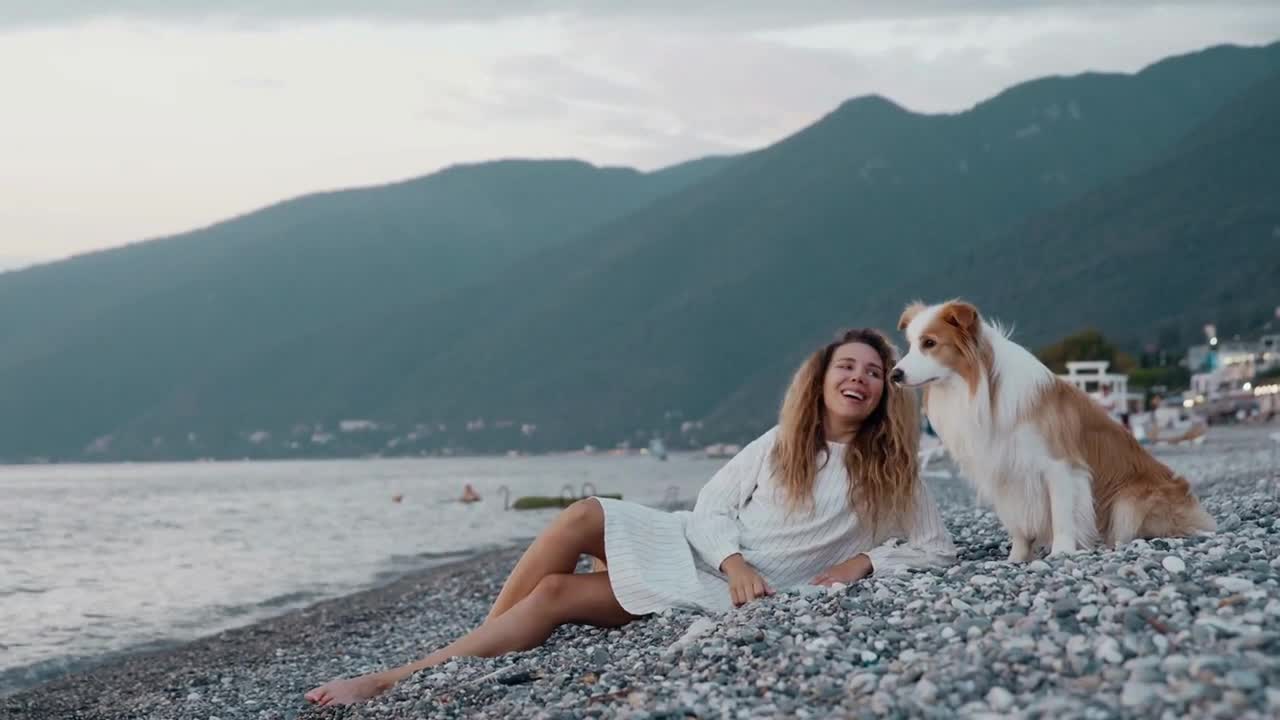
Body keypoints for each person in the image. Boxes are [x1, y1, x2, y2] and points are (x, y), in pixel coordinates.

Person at [304, 328, 956, 707]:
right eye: (846, 365)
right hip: (706, 556)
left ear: (883, 393)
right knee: (585, 512)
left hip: (723, 591)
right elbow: (711, 508)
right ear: (820, 379)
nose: (860, 377)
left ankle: (393, 679)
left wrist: (864, 561)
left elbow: (935, 547)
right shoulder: (780, 441)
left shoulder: (894, 469)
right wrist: (731, 562)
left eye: (874, 372)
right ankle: (469, 645)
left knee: (558, 592)